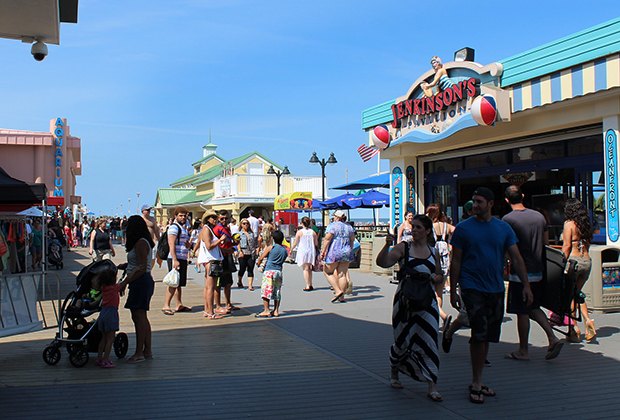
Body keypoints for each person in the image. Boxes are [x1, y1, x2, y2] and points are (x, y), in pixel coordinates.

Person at [449, 187, 533, 404]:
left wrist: (526, 285)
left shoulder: (503, 228)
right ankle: (476, 382)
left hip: (495, 288)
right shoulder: (463, 229)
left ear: (490, 203)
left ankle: (479, 378)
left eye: (479, 202)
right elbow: (455, 261)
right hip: (471, 287)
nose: (474, 206)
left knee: (487, 335)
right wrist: (454, 289)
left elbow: (516, 257)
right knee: (478, 333)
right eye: (473, 201)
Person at [376, 214, 445, 402]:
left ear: (428, 231)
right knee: (402, 339)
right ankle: (394, 371)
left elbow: (439, 274)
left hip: (426, 301)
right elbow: (383, 263)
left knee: (430, 340)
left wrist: (435, 279)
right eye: (413, 227)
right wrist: (386, 246)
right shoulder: (403, 247)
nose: (413, 230)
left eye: (418, 227)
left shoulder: (433, 251)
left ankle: (432, 385)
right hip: (405, 301)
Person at [500, 185, 564, 360]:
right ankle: (552, 337)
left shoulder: (507, 220)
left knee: (522, 311)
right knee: (533, 306)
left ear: (506, 200)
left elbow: (507, 247)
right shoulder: (539, 217)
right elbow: (546, 243)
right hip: (538, 269)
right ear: (522, 195)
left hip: (519, 273)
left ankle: (523, 350)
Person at [118, 215, 155, 363]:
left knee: (139, 318)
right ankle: (147, 351)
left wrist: (125, 282)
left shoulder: (140, 243)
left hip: (140, 281)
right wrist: (125, 266)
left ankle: (139, 352)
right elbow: (140, 263)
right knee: (141, 317)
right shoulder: (143, 241)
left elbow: (140, 268)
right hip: (142, 281)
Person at [562, 198, 595, 343]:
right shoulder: (586, 224)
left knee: (570, 295)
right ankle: (588, 321)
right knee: (577, 293)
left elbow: (567, 246)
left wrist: (562, 261)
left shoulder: (569, 224)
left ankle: (574, 329)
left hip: (574, 261)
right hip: (587, 261)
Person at [426, 203, 455, 325]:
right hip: (445, 258)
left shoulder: (429, 227)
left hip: (433, 258)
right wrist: (450, 244)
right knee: (439, 291)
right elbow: (456, 231)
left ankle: (441, 315)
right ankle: (439, 316)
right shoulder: (446, 226)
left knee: (430, 290)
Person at [320, 210, 356, 303]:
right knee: (342, 274)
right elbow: (352, 239)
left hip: (334, 251)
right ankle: (342, 297)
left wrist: (322, 252)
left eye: (334, 216)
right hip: (346, 251)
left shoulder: (332, 226)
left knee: (327, 271)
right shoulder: (349, 227)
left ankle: (337, 290)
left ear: (337, 217)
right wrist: (350, 249)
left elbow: (327, 239)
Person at [162, 207, 191, 315]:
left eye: (184, 215)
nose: (183, 217)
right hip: (176, 258)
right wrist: (174, 259)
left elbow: (183, 242)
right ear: (175, 216)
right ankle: (166, 305)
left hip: (182, 257)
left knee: (178, 283)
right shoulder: (174, 228)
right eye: (180, 215)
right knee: (173, 281)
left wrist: (188, 245)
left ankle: (178, 304)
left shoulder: (182, 227)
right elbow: (171, 244)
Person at [196, 210, 225, 320]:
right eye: (212, 217)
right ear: (208, 219)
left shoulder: (206, 229)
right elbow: (209, 246)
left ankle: (207, 310)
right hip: (211, 261)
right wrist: (220, 240)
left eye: (215, 217)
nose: (215, 219)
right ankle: (210, 312)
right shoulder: (207, 230)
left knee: (208, 287)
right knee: (210, 288)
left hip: (209, 260)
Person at [255, 230, 288, 318]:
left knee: (266, 290)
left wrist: (258, 263)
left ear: (273, 238)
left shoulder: (271, 247)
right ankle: (276, 310)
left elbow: (261, 257)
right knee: (277, 291)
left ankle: (266, 310)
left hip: (269, 271)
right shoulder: (284, 250)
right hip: (278, 271)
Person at [95, 267, 122, 368]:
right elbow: (124, 283)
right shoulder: (114, 288)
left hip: (103, 313)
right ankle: (106, 359)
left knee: (103, 338)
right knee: (110, 338)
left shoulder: (103, 288)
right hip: (111, 313)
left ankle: (99, 358)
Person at [213, 210, 238, 315]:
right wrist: (228, 250)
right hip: (220, 258)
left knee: (228, 282)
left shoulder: (227, 228)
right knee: (218, 284)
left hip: (228, 257)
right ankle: (218, 305)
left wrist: (233, 244)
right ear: (218, 219)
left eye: (226, 218)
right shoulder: (217, 229)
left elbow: (227, 243)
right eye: (222, 218)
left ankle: (228, 303)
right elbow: (215, 245)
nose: (224, 220)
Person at [291, 216, 319, 291]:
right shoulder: (312, 232)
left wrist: (291, 249)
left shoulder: (300, 232)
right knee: (309, 268)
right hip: (311, 250)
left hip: (303, 250)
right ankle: (310, 284)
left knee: (305, 269)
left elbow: (295, 243)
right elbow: (316, 243)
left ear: (302, 223)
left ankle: (307, 285)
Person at [237, 218, 257, 290]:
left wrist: (256, 249)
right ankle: (239, 281)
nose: (246, 225)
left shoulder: (251, 233)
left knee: (250, 269)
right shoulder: (239, 233)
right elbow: (237, 243)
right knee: (242, 269)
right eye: (244, 223)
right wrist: (240, 251)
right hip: (243, 252)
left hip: (251, 253)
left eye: (247, 223)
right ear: (241, 225)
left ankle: (250, 285)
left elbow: (255, 242)